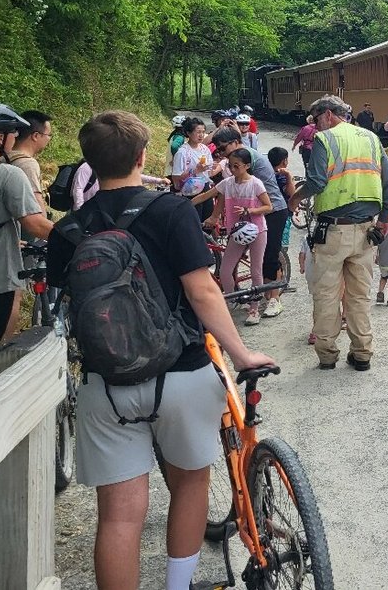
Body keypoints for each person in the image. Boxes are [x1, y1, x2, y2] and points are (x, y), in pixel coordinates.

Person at [45, 110, 274, 590]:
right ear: (143, 156)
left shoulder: (68, 231)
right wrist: (241, 353)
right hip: (182, 374)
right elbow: (203, 291)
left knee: (119, 517)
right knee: (189, 485)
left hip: (106, 386)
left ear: (88, 162)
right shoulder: (170, 211)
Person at [287, 94, 388, 371]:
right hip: (366, 230)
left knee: (327, 294)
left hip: (333, 231)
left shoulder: (326, 140)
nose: (315, 127)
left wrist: (295, 198)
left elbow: (317, 181)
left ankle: (327, 355)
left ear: (328, 114)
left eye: (316, 119)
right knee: (359, 296)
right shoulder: (371, 138)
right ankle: (362, 354)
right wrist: (383, 220)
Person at [209, 127, 289, 319]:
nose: (221, 154)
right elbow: (226, 191)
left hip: (272, 209)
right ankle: (246, 298)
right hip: (248, 213)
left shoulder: (245, 158)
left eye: (222, 148)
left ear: (236, 143)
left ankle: (274, 300)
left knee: (268, 259)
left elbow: (242, 191)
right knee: (241, 261)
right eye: (218, 151)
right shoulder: (235, 162)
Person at [0, 104, 54, 339]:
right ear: (1, 137)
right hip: (0, 277)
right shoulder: (8, 174)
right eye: (14, 134)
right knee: (2, 345)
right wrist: (78, 239)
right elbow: (36, 223)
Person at [203, 148, 272, 325]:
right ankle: (234, 299)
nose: (233, 170)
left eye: (236, 166)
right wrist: (184, 204)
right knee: (225, 271)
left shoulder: (256, 184)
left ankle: (254, 308)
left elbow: (268, 206)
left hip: (257, 231)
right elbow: (206, 196)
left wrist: (250, 211)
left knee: (255, 270)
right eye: (230, 166)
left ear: (247, 166)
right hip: (237, 232)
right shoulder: (227, 184)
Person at [171, 117, 218, 222]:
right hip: (190, 189)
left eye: (203, 132)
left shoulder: (204, 149)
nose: (201, 135)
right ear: (188, 133)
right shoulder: (182, 152)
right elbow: (176, 178)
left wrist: (213, 167)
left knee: (207, 218)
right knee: (194, 219)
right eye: (198, 132)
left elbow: (209, 172)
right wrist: (194, 171)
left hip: (205, 186)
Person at [9, 108, 52, 211]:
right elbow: (37, 208)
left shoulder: (4, 157)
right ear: (36, 136)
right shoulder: (28, 164)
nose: (49, 139)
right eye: (49, 135)